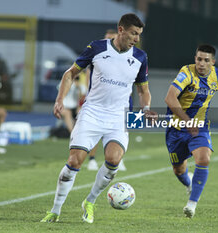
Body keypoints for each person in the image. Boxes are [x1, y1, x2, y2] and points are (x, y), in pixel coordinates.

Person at [41, 13, 155, 223]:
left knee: (114, 160)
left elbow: (143, 90)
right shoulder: (97, 48)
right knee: (75, 161)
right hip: (92, 112)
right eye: (133, 33)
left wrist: (146, 108)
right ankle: (55, 211)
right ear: (121, 30)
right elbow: (70, 73)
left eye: (139, 34)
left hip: (119, 117)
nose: (136, 39)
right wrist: (60, 100)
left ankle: (90, 201)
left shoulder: (140, 57)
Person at [164, 44, 218, 218]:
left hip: (199, 128)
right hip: (176, 129)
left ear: (213, 61)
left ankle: (192, 204)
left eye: (206, 60)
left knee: (203, 159)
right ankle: (189, 184)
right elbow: (170, 97)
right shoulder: (187, 73)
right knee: (178, 170)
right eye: (198, 59)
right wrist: (186, 121)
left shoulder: (217, 77)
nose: (201, 64)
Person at [86, 28, 127, 172]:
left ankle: (118, 159)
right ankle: (92, 159)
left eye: (110, 38)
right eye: (106, 38)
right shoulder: (98, 55)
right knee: (97, 131)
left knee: (122, 130)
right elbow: (88, 74)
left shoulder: (127, 58)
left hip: (121, 102)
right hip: (99, 102)